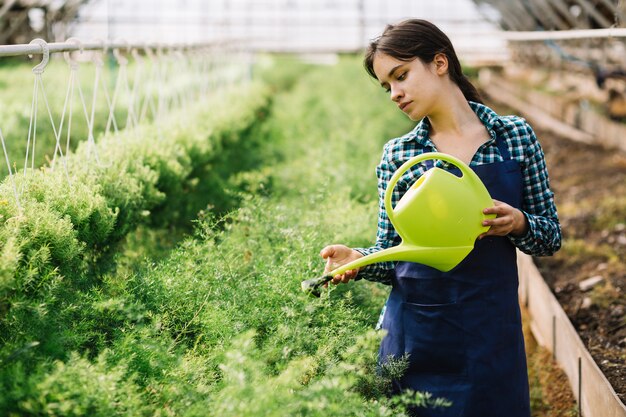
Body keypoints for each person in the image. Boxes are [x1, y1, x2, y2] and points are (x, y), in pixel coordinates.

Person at [319, 19, 561, 417]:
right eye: (387, 86)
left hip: (490, 335)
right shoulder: (399, 156)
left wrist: (518, 222)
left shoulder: (514, 137)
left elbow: (550, 237)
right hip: (417, 337)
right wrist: (358, 261)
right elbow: (393, 254)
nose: (395, 93)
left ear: (439, 62)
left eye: (401, 76)